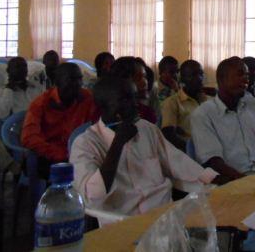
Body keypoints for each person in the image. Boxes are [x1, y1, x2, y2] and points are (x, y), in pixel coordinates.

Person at [71, 75, 221, 218]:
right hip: (121, 221)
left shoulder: (146, 129)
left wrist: (212, 179)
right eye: (125, 100)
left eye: (135, 97)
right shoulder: (86, 143)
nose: (135, 104)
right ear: (103, 107)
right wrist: (118, 144)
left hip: (163, 215)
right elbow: (92, 195)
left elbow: (177, 162)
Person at [190, 57, 255, 181]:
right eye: (240, 74)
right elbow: (214, 163)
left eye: (247, 75)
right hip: (235, 182)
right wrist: (249, 183)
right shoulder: (203, 115)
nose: (246, 79)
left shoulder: (253, 105)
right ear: (221, 79)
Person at [22, 62, 98, 178]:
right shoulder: (41, 104)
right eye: (71, 79)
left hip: (81, 153)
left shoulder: (87, 98)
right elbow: (29, 137)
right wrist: (59, 154)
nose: (77, 84)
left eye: (79, 79)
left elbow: (98, 127)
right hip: (51, 156)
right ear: (57, 82)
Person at [161, 59, 206, 151]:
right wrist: (192, 150)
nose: (199, 78)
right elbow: (169, 136)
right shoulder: (172, 102)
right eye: (193, 75)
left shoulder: (208, 100)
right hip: (188, 152)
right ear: (182, 79)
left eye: (201, 74)